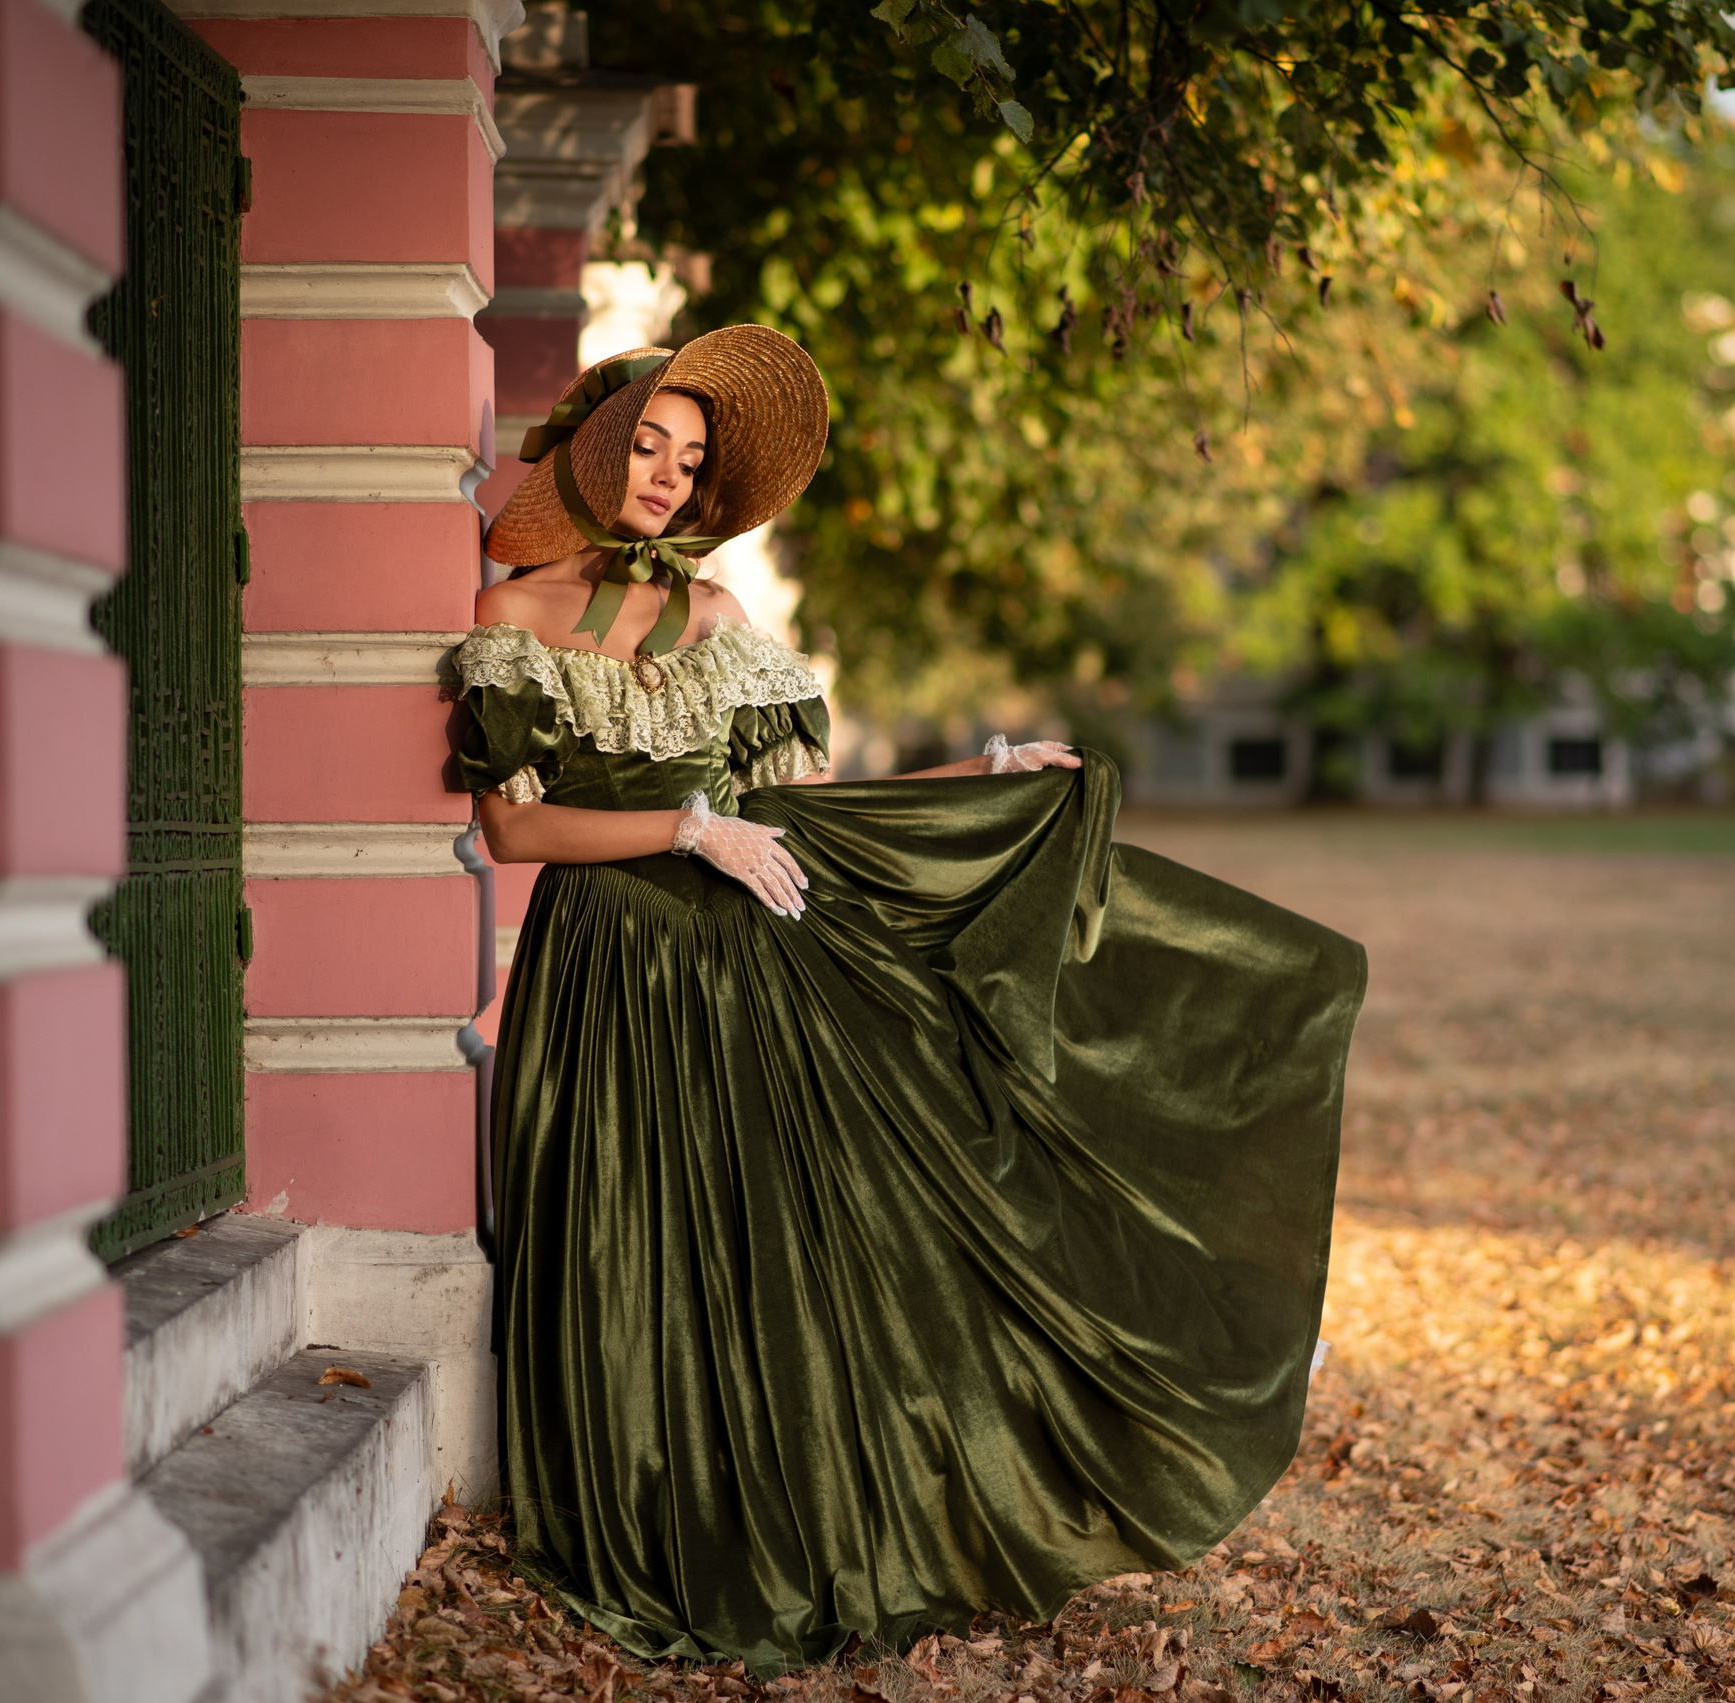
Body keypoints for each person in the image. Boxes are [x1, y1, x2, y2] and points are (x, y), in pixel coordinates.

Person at [452, 324, 1365, 1673]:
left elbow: (811, 814)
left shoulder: (718, 622)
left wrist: (984, 773)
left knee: (774, 1245)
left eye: (688, 461)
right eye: (648, 445)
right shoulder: (512, 617)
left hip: (740, 972)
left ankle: (821, 1501)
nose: (664, 477)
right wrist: (687, 832)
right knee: (632, 1234)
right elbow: (519, 839)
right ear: (600, 449)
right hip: (613, 975)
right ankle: (653, 1510)